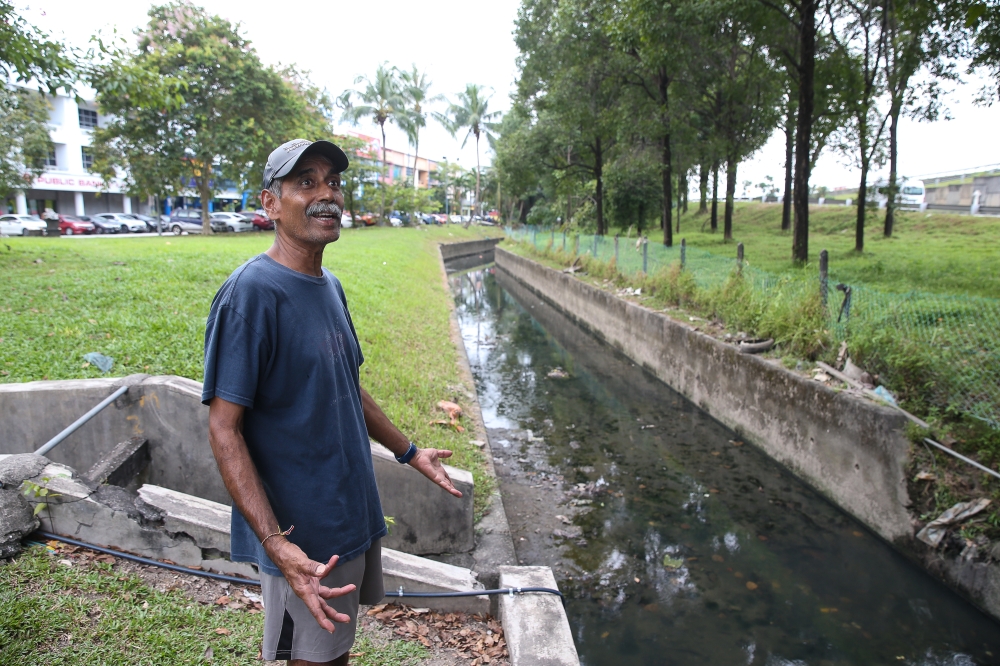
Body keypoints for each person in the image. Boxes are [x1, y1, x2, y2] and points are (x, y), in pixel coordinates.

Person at [203, 138, 462, 666]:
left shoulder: (330, 286)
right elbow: (223, 429)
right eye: (306, 182)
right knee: (305, 656)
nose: (327, 195)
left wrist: (411, 452)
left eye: (333, 182)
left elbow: (347, 384)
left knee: (334, 652)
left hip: (350, 519)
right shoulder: (251, 294)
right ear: (270, 203)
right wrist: (277, 545)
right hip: (303, 538)